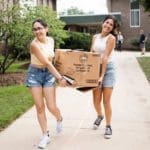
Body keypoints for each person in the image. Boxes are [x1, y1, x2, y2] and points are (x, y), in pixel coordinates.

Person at [25, 19, 67, 149]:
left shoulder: (51, 40)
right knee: (39, 107)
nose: (37, 31)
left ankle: (59, 118)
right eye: (35, 29)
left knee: (51, 106)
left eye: (40, 28)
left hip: (48, 74)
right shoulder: (34, 45)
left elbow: (52, 59)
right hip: (34, 74)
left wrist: (62, 72)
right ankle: (45, 135)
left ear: (46, 28)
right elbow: (47, 63)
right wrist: (60, 78)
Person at [90, 15, 118, 139]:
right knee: (96, 101)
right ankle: (100, 115)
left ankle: (108, 126)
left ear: (112, 28)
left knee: (106, 101)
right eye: (107, 23)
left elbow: (105, 57)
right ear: (103, 23)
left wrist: (101, 76)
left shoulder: (111, 38)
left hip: (108, 70)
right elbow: (91, 54)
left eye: (111, 25)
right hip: (96, 69)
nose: (108, 26)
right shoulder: (95, 37)